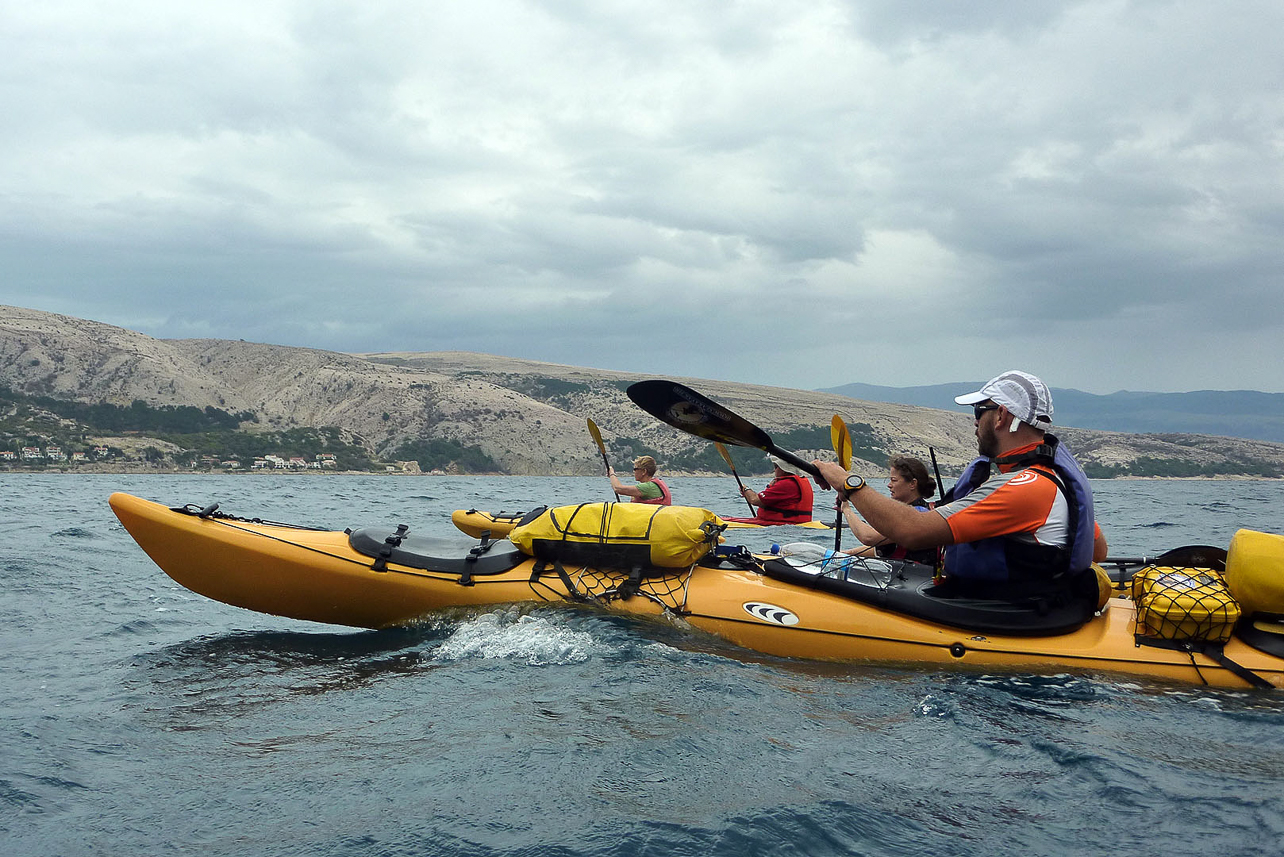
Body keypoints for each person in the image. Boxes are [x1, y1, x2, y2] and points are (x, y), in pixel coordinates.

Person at [812, 370, 1098, 603]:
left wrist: (847, 483)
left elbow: (913, 532)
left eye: (978, 411)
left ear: (1001, 416)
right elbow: (1098, 549)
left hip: (1007, 618)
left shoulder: (1026, 488)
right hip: (1031, 607)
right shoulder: (1052, 479)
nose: (974, 422)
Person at [840, 455, 939, 566]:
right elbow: (880, 547)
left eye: (894, 480)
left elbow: (868, 537)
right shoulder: (908, 510)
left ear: (912, 484)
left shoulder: (918, 513)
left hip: (915, 578)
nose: (889, 485)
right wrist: (848, 553)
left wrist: (846, 509)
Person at [724, 454, 814, 524]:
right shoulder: (793, 482)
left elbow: (754, 500)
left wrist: (746, 489)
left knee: (722, 520)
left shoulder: (786, 484)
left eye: (776, 467)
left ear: (783, 469)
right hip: (792, 522)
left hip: (785, 523)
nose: (774, 470)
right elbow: (766, 503)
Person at [608, 455, 672, 505]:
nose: (634, 472)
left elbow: (618, 489)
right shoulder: (654, 485)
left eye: (635, 469)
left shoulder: (648, 487)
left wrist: (612, 473)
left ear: (644, 471)